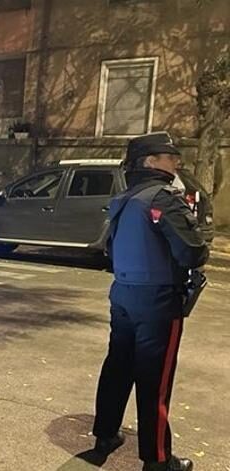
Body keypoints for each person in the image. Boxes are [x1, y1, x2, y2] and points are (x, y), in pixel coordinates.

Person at [92, 131, 209, 471]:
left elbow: (110, 249)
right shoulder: (164, 199)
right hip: (157, 302)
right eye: (170, 157)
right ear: (151, 161)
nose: (176, 163)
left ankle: (105, 435)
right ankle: (157, 460)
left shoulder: (125, 198)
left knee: (117, 367)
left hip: (123, 295)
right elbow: (193, 252)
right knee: (154, 381)